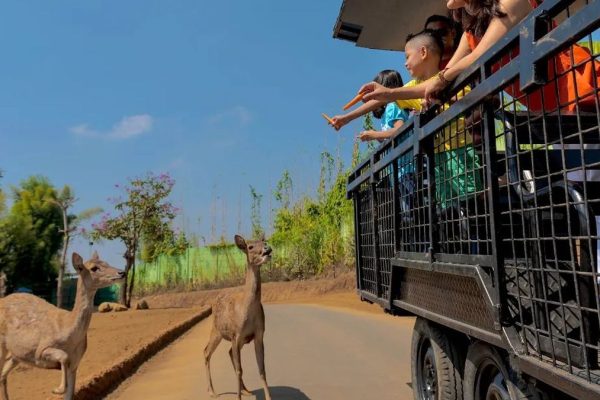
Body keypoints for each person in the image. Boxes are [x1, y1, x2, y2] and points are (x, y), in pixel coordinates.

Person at [359, 0, 599, 112]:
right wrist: (388, 94)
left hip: (584, 89)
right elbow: (437, 79)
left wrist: (444, 79)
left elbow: (481, 55)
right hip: (558, 110)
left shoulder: (512, 1)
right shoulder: (471, 32)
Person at [357, 70, 410, 143]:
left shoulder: (392, 106)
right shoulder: (391, 108)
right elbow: (389, 137)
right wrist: (374, 136)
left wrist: (375, 134)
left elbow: (400, 129)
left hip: (402, 152)